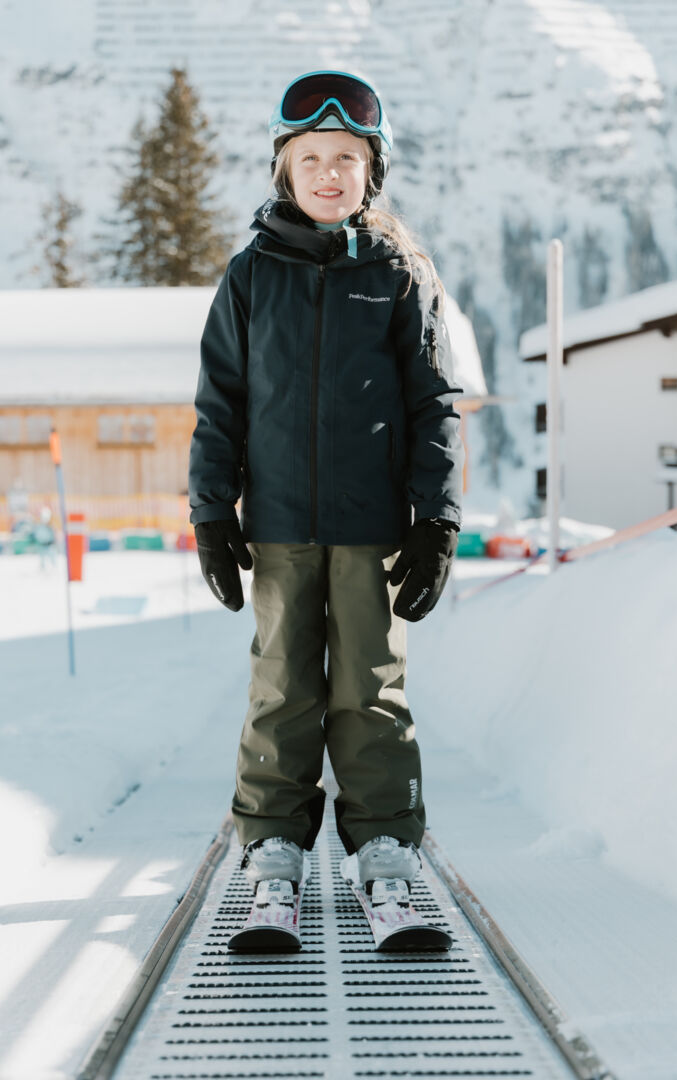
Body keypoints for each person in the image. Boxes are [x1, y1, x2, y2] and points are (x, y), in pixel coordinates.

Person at [188, 70, 464, 897]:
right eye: (311, 157)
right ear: (285, 168)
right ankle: (272, 840)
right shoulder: (250, 276)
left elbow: (435, 405)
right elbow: (219, 405)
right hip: (277, 526)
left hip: (373, 528)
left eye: (347, 156)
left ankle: (383, 841)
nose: (329, 172)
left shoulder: (400, 275)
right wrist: (211, 510)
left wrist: (437, 520)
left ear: (371, 171)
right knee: (281, 687)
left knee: (369, 690)